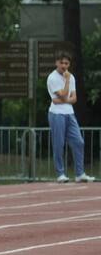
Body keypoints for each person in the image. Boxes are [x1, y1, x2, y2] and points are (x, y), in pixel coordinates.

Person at [47, 52, 92, 183]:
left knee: (79, 142)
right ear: (56, 63)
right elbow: (63, 94)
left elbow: (74, 99)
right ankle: (60, 174)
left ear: (69, 64)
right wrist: (66, 82)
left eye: (66, 63)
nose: (64, 66)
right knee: (59, 144)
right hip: (56, 114)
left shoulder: (71, 77)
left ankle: (80, 174)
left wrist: (62, 100)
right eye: (61, 63)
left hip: (69, 113)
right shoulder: (52, 78)